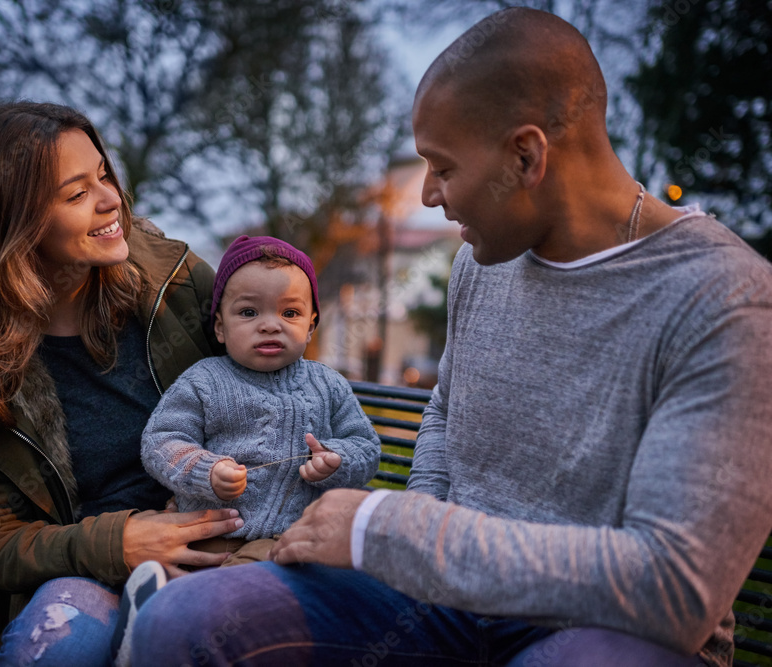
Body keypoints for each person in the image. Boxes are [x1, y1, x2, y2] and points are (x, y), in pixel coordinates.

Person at [128, 8, 772, 667]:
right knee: (185, 622)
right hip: (446, 604)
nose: (430, 194)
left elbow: (676, 586)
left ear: (527, 156)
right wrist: (412, 541)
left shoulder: (725, 299)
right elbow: (443, 411)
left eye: (443, 167)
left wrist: (392, 529)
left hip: (604, 632)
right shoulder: (480, 262)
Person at [0, 101, 243, 667]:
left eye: (103, 174)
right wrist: (116, 544)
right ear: (12, 223)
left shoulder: (176, 284)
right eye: (76, 192)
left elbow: (276, 377)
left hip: (224, 541)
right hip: (86, 573)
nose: (111, 200)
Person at [140, 235, 381, 566]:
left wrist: (337, 461)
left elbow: (366, 447)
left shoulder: (328, 384)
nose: (270, 325)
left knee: (246, 579)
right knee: (177, 574)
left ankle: (191, 605)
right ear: (221, 327)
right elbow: (161, 441)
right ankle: (157, 600)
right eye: (249, 312)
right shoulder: (204, 380)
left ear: (311, 327)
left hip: (289, 537)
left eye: (290, 312)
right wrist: (207, 471)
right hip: (210, 530)